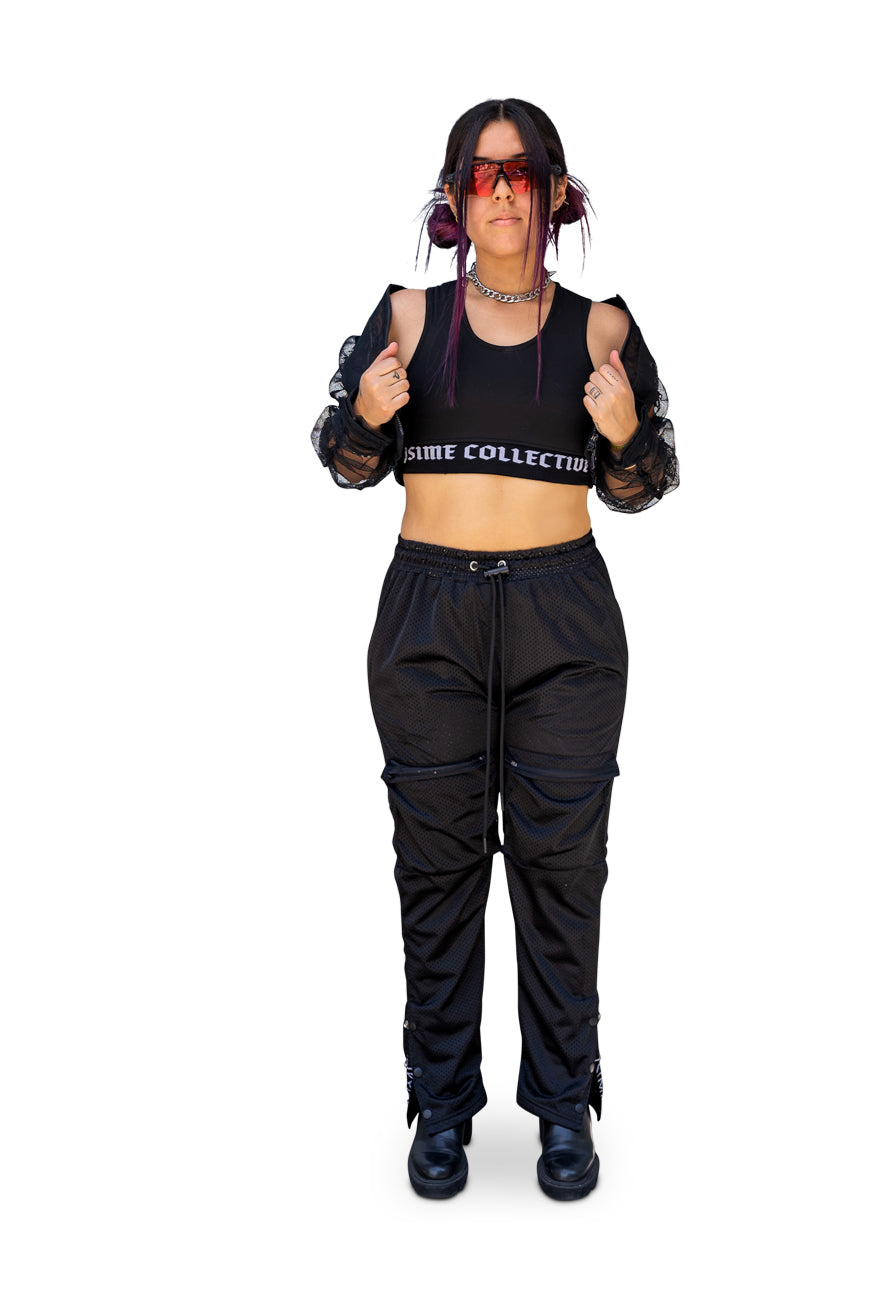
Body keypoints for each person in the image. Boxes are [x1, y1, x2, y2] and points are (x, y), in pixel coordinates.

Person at [310, 98, 678, 1200]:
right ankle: (441, 1104)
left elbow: (643, 485)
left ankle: (564, 1106)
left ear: (556, 192)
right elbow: (346, 463)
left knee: (564, 870)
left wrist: (623, 434)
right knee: (437, 868)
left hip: (566, 619)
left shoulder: (602, 327)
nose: (504, 190)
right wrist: (368, 415)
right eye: (482, 173)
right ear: (454, 196)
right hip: (431, 617)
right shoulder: (407, 316)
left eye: (523, 173)